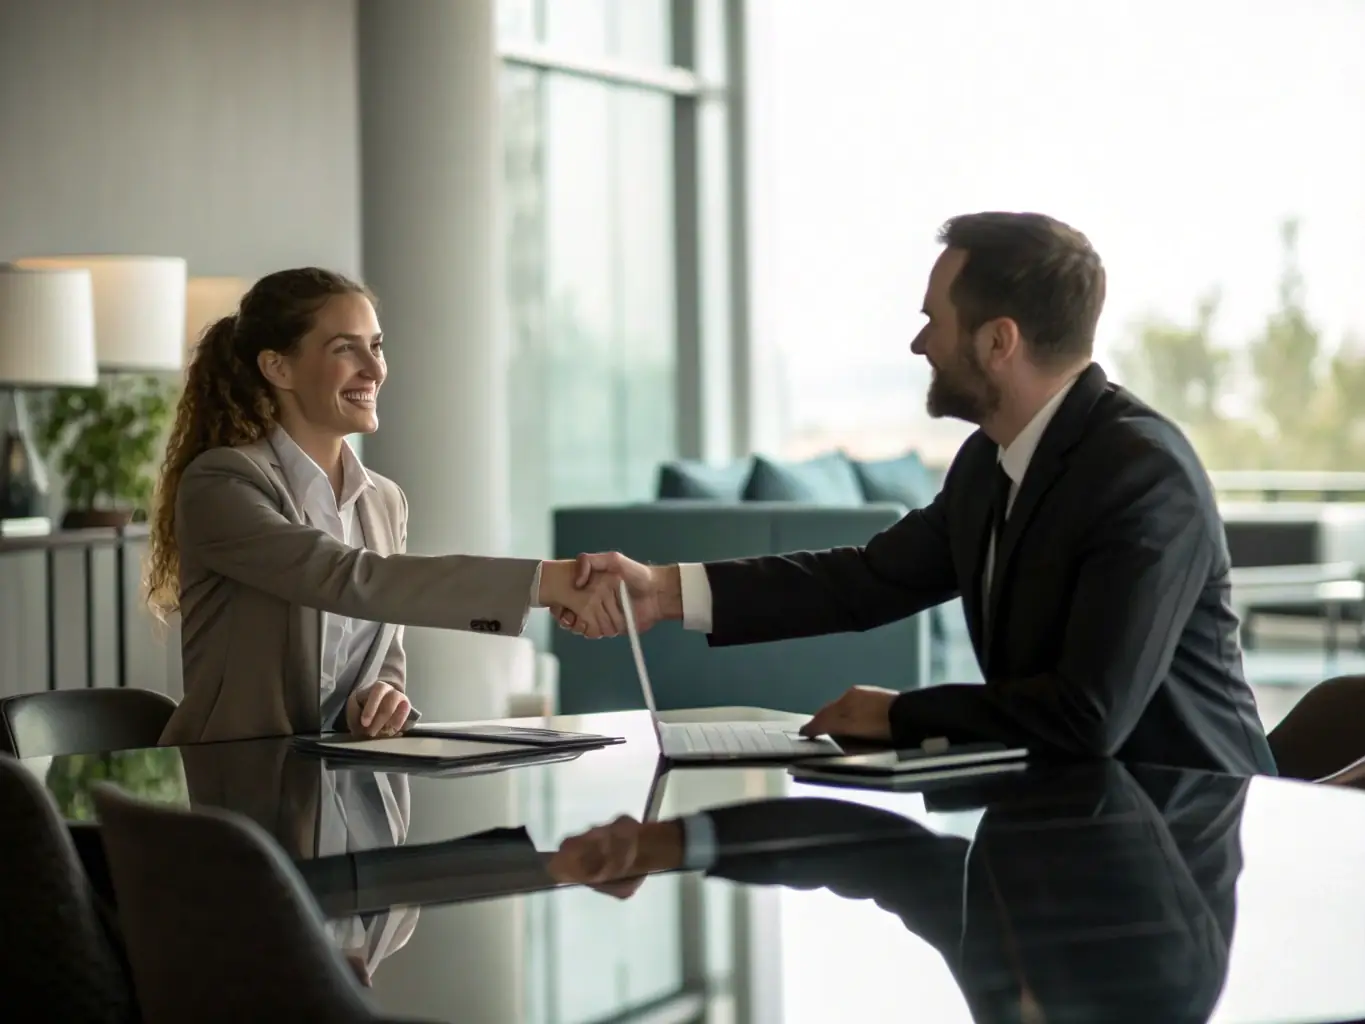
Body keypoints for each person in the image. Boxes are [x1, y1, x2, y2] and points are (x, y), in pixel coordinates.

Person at [559, 212, 1276, 776]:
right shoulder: (988, 462)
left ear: (999, 341)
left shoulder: (1143, 476)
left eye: (933, 319)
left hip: (1184, 840)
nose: (918, 345)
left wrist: (900, 716)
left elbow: (1087, 717)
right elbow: (864, 581)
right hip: (1066, 827)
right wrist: (659, 590)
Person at [146, 268, 622, 745]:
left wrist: (379, 696)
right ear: (278, 368)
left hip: (353, 790)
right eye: (344, 349)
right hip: (243, 786)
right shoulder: (222, 484)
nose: (374, 370)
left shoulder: (384, 500)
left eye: (375, 347)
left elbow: (383, 658)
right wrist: (544, 582)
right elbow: (347, 578)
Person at [547, 761, 1247, 1023]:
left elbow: (884, 858)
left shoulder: (1010, 976)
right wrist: (659, 844)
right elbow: (886, 858)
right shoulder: (1162, 979)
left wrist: (663, 844)